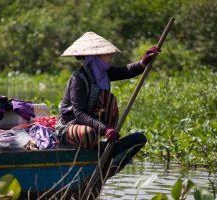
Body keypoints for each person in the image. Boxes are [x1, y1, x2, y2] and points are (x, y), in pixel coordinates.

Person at [55, 32, 159, 176]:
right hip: (70, 126)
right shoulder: (79, 78)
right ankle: (99, 151)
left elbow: (125, 71)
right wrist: (105, 129)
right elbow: (79, 114)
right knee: (89, 134)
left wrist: (143, 62)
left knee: (139, 138)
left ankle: (106, 168)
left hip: (92, 127)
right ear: (96, 57)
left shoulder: (104, 73)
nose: (110, 57)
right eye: (107, 54)